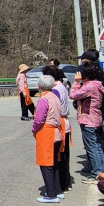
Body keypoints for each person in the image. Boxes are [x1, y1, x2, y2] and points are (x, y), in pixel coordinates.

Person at [71, 62, 104, 182]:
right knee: (96, 146)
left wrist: (76, 82)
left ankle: (97, 173)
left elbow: (73, 95)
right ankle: (101, 171)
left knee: (92, 147)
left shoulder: (89, 86)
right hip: (95, 118)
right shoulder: (97, 84)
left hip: (88, 120)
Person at [31, 75, 65, 203]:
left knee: (46, 164)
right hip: (56, 132)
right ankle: (57, 190)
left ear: (39, 86)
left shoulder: (43, 99)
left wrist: (33, 129)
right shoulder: (55, 97)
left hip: (47, 132)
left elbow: (39, 119)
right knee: (54, 163)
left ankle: (51, 194)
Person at [44, 65, 74, 193]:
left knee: (59, 157)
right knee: (64, 155)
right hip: (64, 121)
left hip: (59, 123)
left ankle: (61, 184)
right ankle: (65, 182)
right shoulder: (62, 86)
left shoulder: (55, 90)